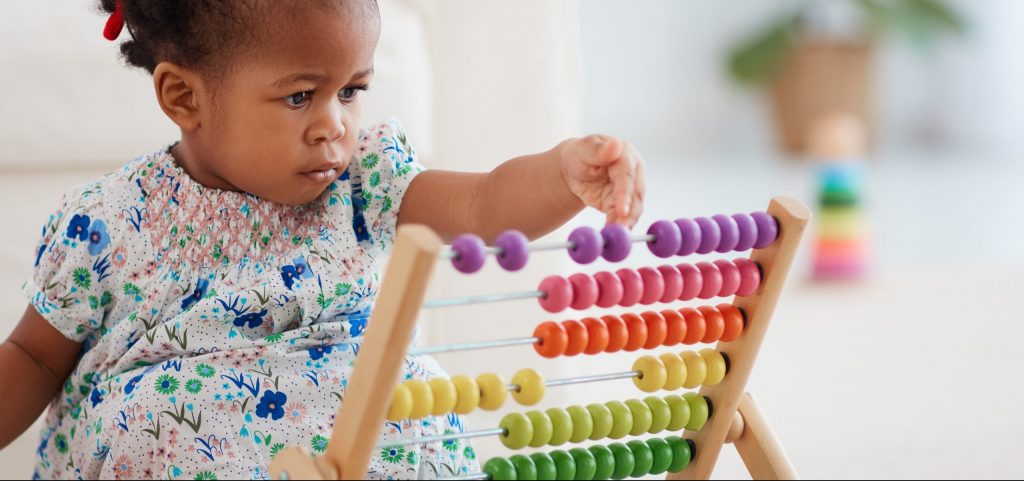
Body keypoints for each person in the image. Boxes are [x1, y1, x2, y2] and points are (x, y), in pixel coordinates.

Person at [0, 1, 646, 479]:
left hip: (355, 428)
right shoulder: (107, 219)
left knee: (417, 401)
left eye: (352, 91)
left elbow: (481, 203)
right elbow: (34, 356)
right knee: (153, 426)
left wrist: (561, 173)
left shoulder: (364, 180)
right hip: (187, 433)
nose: (333, 125)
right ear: (184, 96)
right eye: (300, 96)